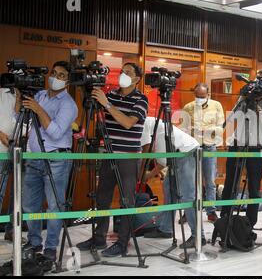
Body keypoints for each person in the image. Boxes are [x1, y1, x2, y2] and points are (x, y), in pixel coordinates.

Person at [77, 63, 148, 257]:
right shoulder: (111, 95)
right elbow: (94, 119)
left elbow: (127, 123)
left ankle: (122, 243)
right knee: (102, 198)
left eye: (128, 72)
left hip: (128, 157)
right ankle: (99, 237)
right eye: (122, 71)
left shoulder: (141, 99)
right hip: (108, 154)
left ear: (137, 79)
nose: (123, 74)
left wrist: (107, 104)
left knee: (126, 200)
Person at [18, 61, 78, 262]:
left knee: (54, 206)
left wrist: (37, 109)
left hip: (57, 160)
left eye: (61, 75)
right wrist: (21, 94)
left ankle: (51, 248)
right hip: (34, 158)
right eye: (54, 73)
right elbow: (21, 117)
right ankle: (34, 243)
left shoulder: (68, 104)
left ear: (67, 81)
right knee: (29, 205)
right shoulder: (40, 95)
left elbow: (55, 132)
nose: (55, 77)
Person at [220, 69, 262, 228]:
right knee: (230, 184)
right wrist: (246, 99)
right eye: (258, 78)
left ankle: (249, 224)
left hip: (258, 147)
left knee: (254, 186)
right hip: (238, 144)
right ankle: (225, 219)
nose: (260, 81)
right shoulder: (245, 96)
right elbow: (234, 117)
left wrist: (258, 112)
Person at [142, 117, 205, 249]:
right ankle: (166, 229)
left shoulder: (158, 133)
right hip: (178, 156)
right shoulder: (152, 125)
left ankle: (198, 236)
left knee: (188, 196)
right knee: (169, 190)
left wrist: (147, 175)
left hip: (187, 153)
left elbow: (161, 163)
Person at [183, 83, 224, 223]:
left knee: (210, 181)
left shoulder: (216, 105)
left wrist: (206, 129)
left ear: (208, 94)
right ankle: (189, 211)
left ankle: (211, 211)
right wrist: (192, 128)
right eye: (197, 96)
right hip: (192, 147)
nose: (199, 98)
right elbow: (183, 128)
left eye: (202, 96)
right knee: (191, 181)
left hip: (209, 146)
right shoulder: (188, 107)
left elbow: (221, 126)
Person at [0, 87, 19, 241]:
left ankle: (11, 231)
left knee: (18, 194)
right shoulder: (1, 94)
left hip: (23, 152)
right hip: (1, 151)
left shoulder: (31, 97)